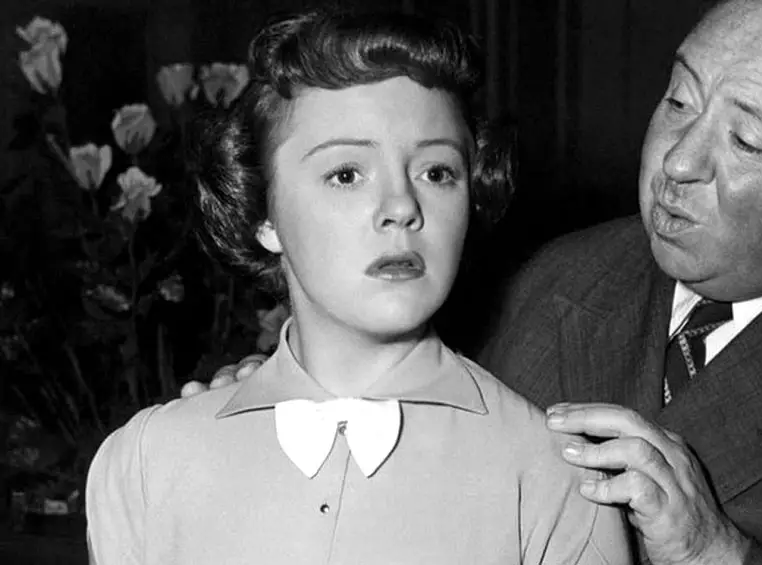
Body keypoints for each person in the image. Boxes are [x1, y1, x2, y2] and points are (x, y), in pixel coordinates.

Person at [191, 0, 762, 563]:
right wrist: (294, 399)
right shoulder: (553, 275)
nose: (678, 163)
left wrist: (713, 550)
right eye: (679, 101)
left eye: (745, 143)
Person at [85, 9, 632, 565]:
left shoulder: (555, 478)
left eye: (437, 172)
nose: (401, 207)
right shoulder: (146, 464)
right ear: (263, 216)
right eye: (346, 174)